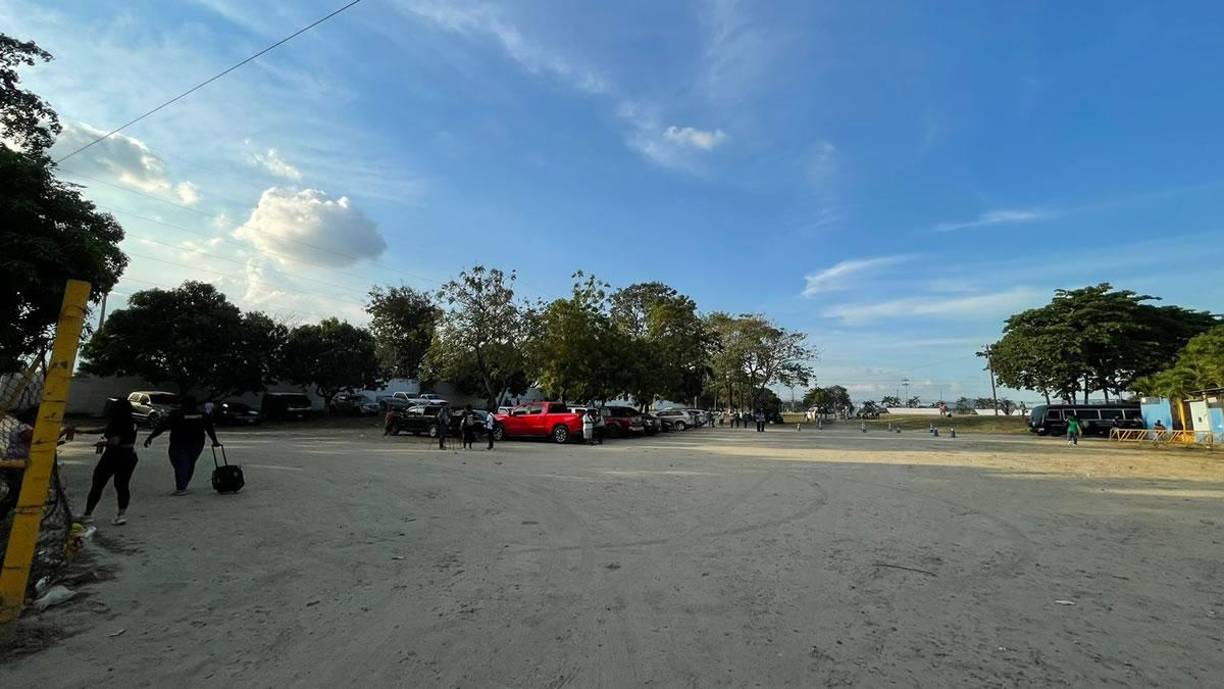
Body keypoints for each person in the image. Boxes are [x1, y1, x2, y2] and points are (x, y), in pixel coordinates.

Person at [144, 396, 220, 495]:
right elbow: (210, 429)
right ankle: (183, 484)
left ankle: (181, 487)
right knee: (190, 463)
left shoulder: (177, 414)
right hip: (197, 443)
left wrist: (151, 437)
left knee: (180, 464)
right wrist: (215, 441)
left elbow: (163, 426)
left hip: (179, 443)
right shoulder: (202, 415)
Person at [84, 399, 139, 525]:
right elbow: (106, 429)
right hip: (129, 455)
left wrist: (102, 443)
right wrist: (86, 431)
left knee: (98, 484)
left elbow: (115, 441)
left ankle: (88, 514)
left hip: (113, 455)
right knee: (122, 485)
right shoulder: (132, 422)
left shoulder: (117, 422)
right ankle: (121, 514)